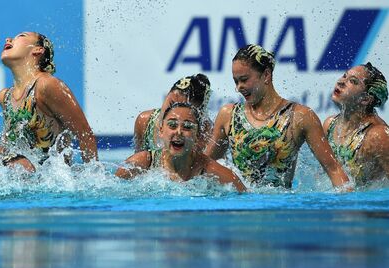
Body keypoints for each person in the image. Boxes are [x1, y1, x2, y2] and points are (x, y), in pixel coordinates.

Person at [206, 44, 350, 189]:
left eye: (244, 79)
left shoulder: (300, 117)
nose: (239, 87)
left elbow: (333, 169)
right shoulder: (228, 115)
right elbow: (204, 164)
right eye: (236, 81)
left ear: (266, 75)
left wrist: (350, 204)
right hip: (240, 207)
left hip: (279, 205)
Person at [0, 31, 98, 171]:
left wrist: (92, 176)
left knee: (18, 163)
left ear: (38, 50)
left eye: (21, 36)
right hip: (28, 179)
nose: (8, 39)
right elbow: (6, 146)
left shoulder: (47, 85)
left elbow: (84, 134)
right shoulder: (5, 96)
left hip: (54, 182)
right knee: (13, 161)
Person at [116, 102, 246, 192]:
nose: (178, 132)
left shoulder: (212, 172)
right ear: (161, 131)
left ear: (198, 136)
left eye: (188, 127)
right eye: (172, 125)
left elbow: (244, 197)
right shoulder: (142, 163)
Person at [323, 62, 389, 186]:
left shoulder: (378, 135)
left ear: (365, 99)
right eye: (344, 76)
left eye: (353, 81)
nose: (341, 82)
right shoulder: (330, 125)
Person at [134, 74, 212, 153]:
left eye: (183, 109)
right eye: (171, 104)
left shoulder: (206, 134)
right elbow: (137, 162)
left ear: (199, 113)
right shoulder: (145, 122)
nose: (174, 113)